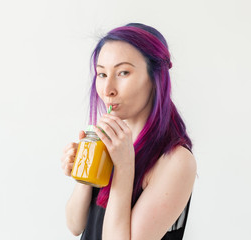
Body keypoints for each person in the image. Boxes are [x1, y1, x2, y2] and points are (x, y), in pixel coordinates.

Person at [61, 23, 197, 240]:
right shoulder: (108, 141)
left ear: (155, 78)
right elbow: (75, 225)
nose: (108, 90)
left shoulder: (176, 161)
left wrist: (124, 167)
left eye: (123, 72)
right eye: (102, 74)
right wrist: (83, 174)